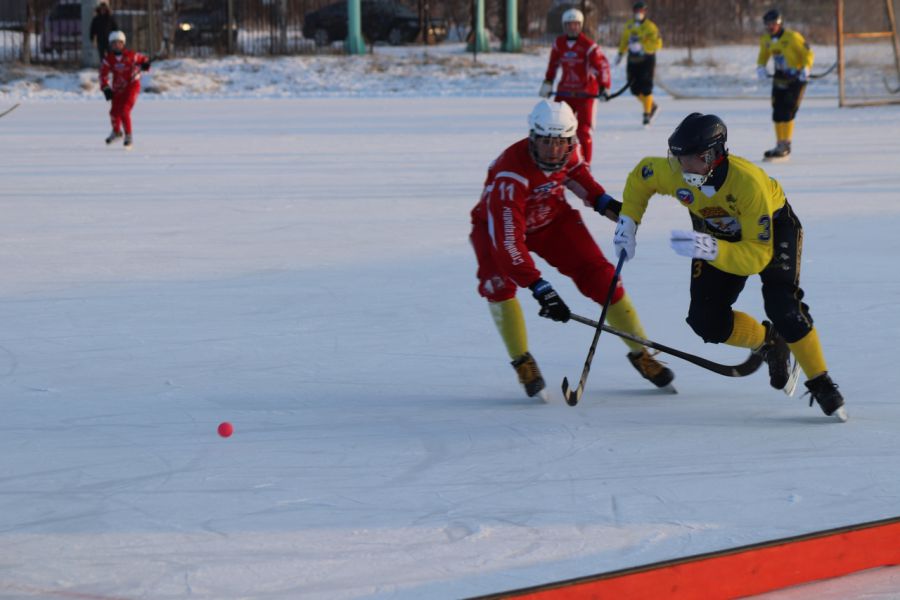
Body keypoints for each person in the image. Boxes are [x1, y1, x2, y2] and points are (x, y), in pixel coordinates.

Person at [612, 112, 846, 421]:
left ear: (712, 156)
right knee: (705, 320)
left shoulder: (748, 184)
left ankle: (820, 381)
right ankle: (768, 341)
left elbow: (758, 255)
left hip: (771, 231)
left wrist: (711, 249)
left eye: (690, 160)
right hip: (714, 231)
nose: (682, 168)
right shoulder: (676, 172)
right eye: (677, 158)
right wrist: (628, 221)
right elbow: (642, 175)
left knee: (783, 307)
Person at [469, 100, 675, 399]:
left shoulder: (569, 152)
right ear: (532, 138)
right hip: (498, 229)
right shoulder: (510, 179)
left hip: (552, 219)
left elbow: (578, 176)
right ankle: (523, 361)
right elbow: (509, 243)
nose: (553, 150)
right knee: (498, 285)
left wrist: (606, 204)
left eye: (561, 143)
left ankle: (641, 353)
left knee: (603, 278)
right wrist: (541, 288)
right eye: (546, 143)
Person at [539, 8, 611, 165]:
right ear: (564, 26)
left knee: (584, 132)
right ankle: (560, 163)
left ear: (581, 25)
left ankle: (585, 166)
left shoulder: (589, 46)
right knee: (557, 129)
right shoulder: (559, 44)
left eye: (576, 24)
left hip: (585, 95)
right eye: (569, 24)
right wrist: (548, 82)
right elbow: (553, 65)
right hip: (565, 93)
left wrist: (604, 86)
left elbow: (602, 66)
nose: (572, 27)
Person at [756, 8, 814, 160]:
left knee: (788, 111)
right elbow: (763, 55)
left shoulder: (792, 37)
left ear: (779, 23)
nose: (770, 27)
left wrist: (806, 68)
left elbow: (808, 53)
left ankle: (786, 144)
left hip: (796, 79)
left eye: (773, 23)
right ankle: (779, 144)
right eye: (767, 24)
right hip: (779, 78)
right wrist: (761, 66)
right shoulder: (766, 40)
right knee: (777, 112)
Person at [99, 30, 150, 149]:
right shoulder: (108, 59)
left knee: (124, 110)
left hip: (131, 86)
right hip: (118, 88)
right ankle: (117, 132)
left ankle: (128, 136)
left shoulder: (131, 56)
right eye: (113, 43)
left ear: (123, 43)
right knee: (113, 113)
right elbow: (103, 75)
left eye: (119, 43)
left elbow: (145, 61)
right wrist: (106, 88)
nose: (116, 45)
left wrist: (145, 65)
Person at [616, 1, 662, 126]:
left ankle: (646, 114)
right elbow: (624, 40)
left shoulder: (651, 27)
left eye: (641, 11)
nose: (638, 14)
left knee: (646, 87)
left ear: (645, 12)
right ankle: (651, 104)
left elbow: (658, 44)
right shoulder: (629, 25)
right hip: (632, 60)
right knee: (634, 89)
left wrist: (642, 46)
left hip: (646, 60)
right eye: (636, 11)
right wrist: (620, 53)